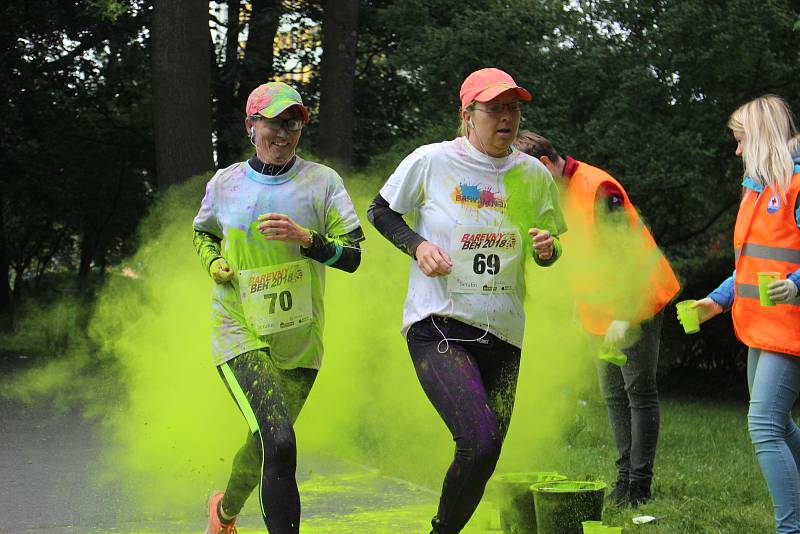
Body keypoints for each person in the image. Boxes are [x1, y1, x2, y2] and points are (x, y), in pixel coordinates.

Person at [367, 68, 567, 534]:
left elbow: (550, 244)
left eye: (513, 108)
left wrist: (548, 249)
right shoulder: (432, 161)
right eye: (494, 108)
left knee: (488, 452)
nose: (506, 118)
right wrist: (417, 245)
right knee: (478, 440)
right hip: (440, 321)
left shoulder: (532, 174)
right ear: (467, 114)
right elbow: (380, 209)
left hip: (504, 330)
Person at [192, 81, 364, 534]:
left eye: (293, 123)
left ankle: (224, 513)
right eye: (273, 123)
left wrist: (306, 239)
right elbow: (204, 232)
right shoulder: (226, 182)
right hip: (238, 331)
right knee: (281, 441)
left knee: (263, 444)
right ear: (252, 126)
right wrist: (214, 263)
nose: (283, 133)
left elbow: (353, 257)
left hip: (300, 341)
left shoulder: (323, 183)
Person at [514, 130, 680, 507]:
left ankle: (639, 484)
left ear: (542, 166)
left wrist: (624, 314)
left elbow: (627, 254)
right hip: (597, 310)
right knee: (611, 393)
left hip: (635, 299)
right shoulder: (553, 195)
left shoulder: (598, 188)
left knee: (637, 390)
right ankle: (623, 477)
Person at [687, 95, 800, 533]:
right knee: (779, 424)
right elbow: (750, 264)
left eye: (741, 140)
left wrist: (796, 285)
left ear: (763, 136)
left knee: (764, 425)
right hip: (761, 327)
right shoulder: (758, 188)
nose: (736, 151)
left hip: (790, 328)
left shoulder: (796, 183)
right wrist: (716, 301)